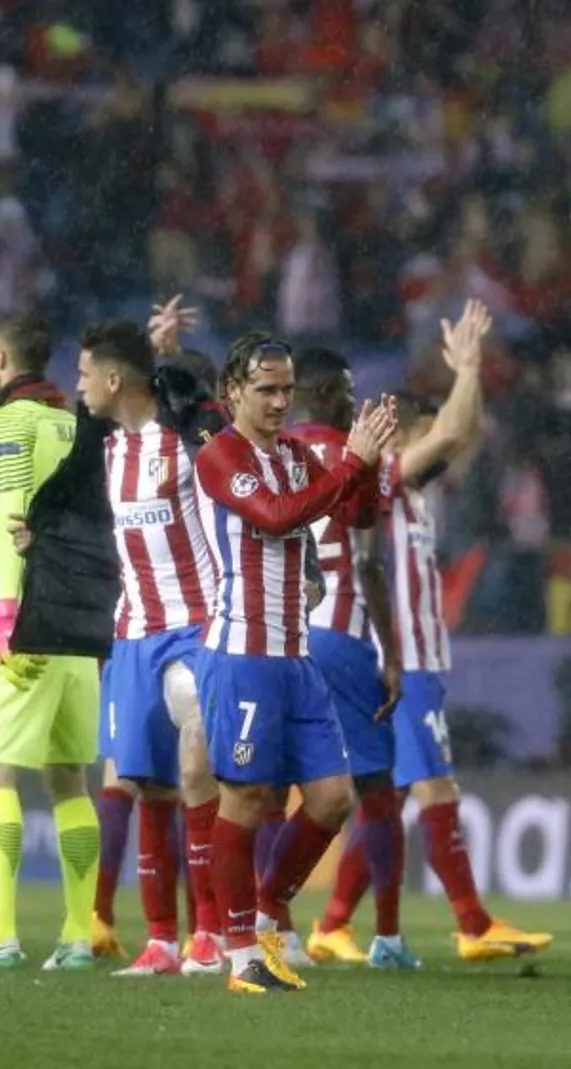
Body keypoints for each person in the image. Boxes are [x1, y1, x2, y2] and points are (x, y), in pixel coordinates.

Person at [311, 301, 551, 966]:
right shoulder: (377, 484)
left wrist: (468, 383)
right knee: (433, 787)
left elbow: (460, 430)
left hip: (422, 658)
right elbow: (450, 434)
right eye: (409, 433)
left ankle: (333, 922)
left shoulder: (412, 496)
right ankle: (471, 921)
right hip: (401, 660)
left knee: (389, 795)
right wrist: (470, 368)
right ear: (396, 438)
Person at [194, 331, 397, 995]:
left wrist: (368, 464)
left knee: (333, 798)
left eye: (286, 388)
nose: (281, 401)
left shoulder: (294, 455)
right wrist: (347, 467)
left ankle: (264, 909)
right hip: (244, 653)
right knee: (246, 797)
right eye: (266, 389)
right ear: (233, 393)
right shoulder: (222, 456)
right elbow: (279, 518)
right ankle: (239, 954)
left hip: (298, 655)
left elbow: (351, 508)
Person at [0, 314, 120, 970]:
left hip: (23, 622)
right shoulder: (81, 424)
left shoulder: (6, 424)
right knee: (71, 777)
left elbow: (12, 517)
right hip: (80, 629)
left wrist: (11, 618)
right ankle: (75, 936)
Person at [77, 318, 228, 977]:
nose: (77, 386)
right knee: (147, 785)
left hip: (195, 625)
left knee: (197, 772)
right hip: (133, 632)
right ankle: (162, 939)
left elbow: (209, 407)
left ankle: (210, 932)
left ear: (113, 380)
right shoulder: (109, 449)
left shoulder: (187, 445)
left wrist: (164, 355)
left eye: (85, 375)